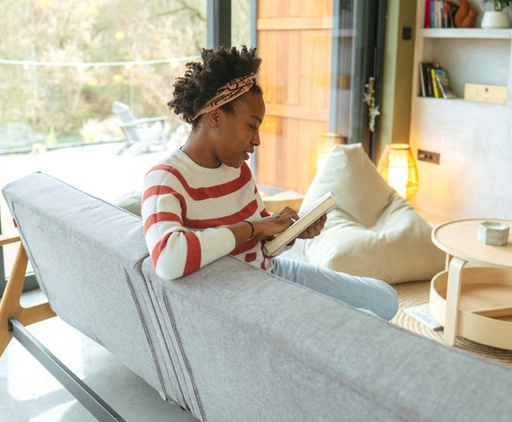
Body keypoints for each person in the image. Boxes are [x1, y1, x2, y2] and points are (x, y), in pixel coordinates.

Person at [141, 46, 398, 320]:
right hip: (248, 292)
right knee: (367, 321)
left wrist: (290, 232)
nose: (257, 140)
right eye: (252, 125)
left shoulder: (237, 170)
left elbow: (261, 241)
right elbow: (168, 259)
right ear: (215, 117)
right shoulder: (166, 179)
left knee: (386, 299)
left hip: (272, 270)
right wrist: (252, 228)